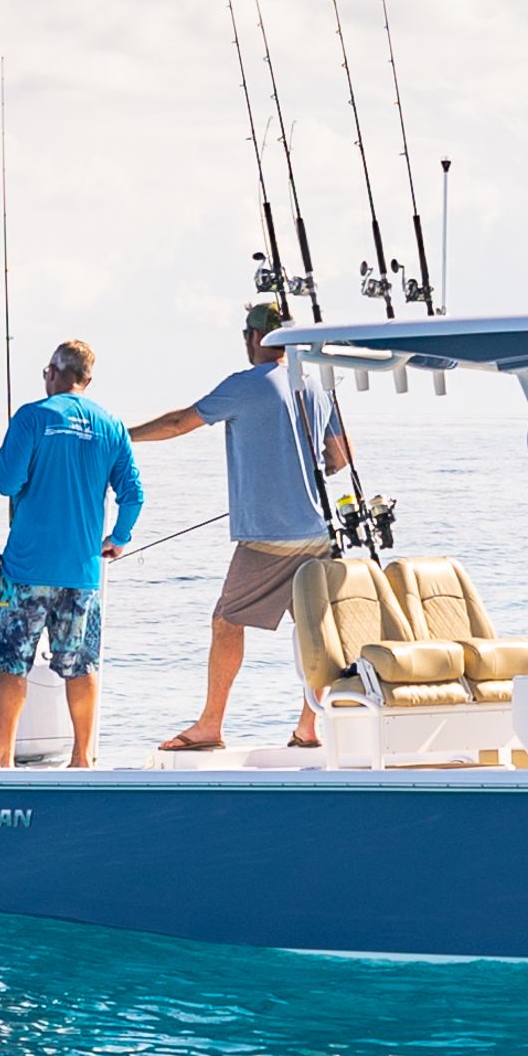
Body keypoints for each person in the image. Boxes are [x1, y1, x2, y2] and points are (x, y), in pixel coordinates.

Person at [131, 298, 350, 753]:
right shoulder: (315, 384)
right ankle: (308, 727)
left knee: (227, 621)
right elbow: (340, 457)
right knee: (314, 632)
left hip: (270, 538)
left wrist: (121, 436)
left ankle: (210, 726)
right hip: (319, 533)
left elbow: (177, 423)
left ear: (253, 339)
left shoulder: (244, 386)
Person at [0, 338, 143, 770]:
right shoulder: (111, 425)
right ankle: (81, 759)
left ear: (53, 373)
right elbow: (133, 493)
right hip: (82, 572)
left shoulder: (32, 417)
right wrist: (118, 537)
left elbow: (5, 481)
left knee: (12, 663)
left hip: (27, 569)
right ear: (87, 380)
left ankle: (3, 759)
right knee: (81, 665)